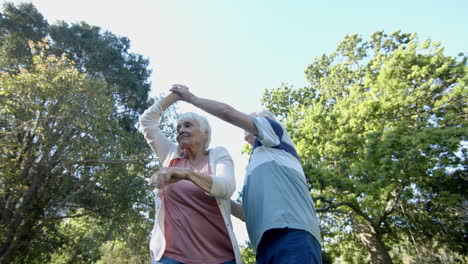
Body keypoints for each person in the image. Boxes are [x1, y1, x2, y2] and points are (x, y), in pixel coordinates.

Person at [171, 85, 322, 264]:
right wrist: (207, 188)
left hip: (293, 234)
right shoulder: (255, 167)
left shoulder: (275, 134)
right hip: (264, 245)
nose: (248, 121)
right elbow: (248, 214)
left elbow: (228, 112)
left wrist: (192, 99)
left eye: (253, 117)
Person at [139, 92, 242, 264]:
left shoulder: (218, 155)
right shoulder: (171, 155)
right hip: (171, 257)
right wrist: (175, 96)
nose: (181, 131)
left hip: (220, 258)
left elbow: (226, 187)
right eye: (178, 128)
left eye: (187, 126)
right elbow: (147, 122)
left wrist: (187, 174)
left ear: (205, 133)